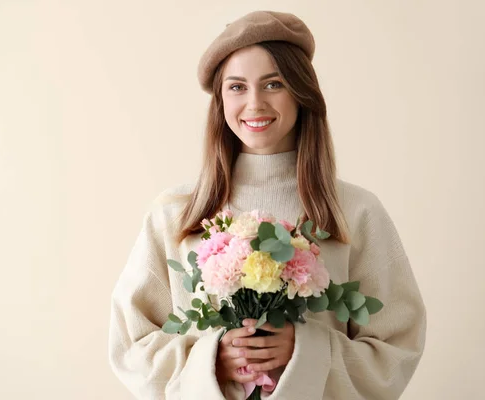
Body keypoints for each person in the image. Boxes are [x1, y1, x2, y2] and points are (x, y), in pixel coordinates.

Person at [108, 10, 426, 400]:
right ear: (221, 99)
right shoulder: (175, 215)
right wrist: (212, 359)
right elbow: (130, 345)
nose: (254, 103)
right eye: (237, 87)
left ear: (301, 92)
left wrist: (303, 351)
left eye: (273, 84)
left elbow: (397, 349)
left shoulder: (355, 212)